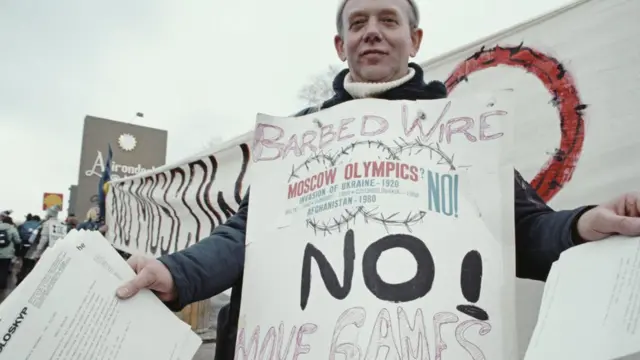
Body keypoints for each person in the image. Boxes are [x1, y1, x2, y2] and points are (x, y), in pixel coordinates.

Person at [116, 1, 640, 359]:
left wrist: (580, 226)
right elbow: (244, 236)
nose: (372, 30)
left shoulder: (463, 133)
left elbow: (523, 230)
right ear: (340, 43)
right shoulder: (299, 138)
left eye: (388, 19)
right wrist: (176, 274)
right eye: (358, 20)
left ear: (414, 39)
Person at [0, 216, 20, 301]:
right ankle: (2, 286)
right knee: (3, 270)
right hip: (7, 254)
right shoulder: (12, 229)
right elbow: (17, 240)